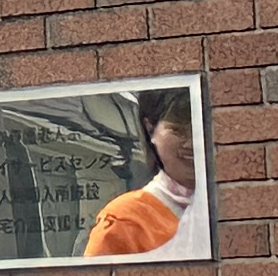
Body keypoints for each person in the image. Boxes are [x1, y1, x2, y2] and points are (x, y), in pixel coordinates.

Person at [85, 87, 203, 258]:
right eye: (178, 131)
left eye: (201, 129)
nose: (192, 143)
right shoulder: (124, 222)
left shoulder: (231, 204)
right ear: (150, 129)